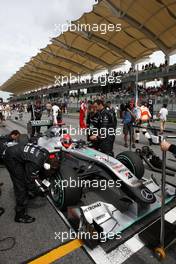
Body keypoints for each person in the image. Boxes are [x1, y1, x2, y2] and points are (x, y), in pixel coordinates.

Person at [0, 141, 49, 223]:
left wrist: (44, 184)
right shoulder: (37, 162)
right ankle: (20, 215)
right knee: (20, 184)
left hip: (17, 152)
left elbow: (41, 173)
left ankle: (28, 194)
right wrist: (37, 191)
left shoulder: (46, 153)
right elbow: (29, 180)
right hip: (11, 158)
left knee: (27, 178)